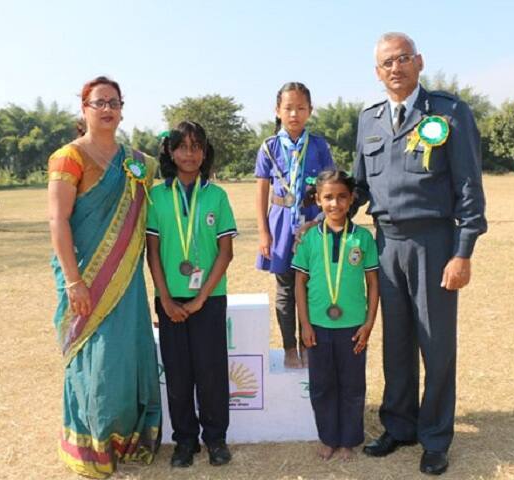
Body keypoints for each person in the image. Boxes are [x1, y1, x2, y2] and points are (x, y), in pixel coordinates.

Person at [354, 33, 487, 475]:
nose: (396, 68)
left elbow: (468, 187)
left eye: (403, 58)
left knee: (436, 343)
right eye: (387, 63)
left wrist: (462, 252)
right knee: (396, 342)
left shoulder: (449, 113)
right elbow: (358, 186)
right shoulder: (368, 120)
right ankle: (399, 425)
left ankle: (435, 436)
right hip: (385, 244)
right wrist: (321, 217)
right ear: (377, 72)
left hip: (434, 243)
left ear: (420, 62)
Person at [48, 76, 161, 478]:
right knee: (95, 359)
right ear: (84, 109)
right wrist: (74, 281)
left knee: (127, 354)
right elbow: (58, 220)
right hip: (85, 275)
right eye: (99, 103)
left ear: (122, 109)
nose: (108, 109)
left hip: (127, 278)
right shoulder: (69, 157)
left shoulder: (139, 162)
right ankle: (92, 443)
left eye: (114, 102)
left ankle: (128, 439)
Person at [146, 121, 237, 468]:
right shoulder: (157, 196)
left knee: (211, 372)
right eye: (182, 147)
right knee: (178, 374)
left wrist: (200, 299)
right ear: (170, 152)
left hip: (209, 299)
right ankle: (185, 441)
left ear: (204, 152)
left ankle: (216, 439)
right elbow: (152, 253)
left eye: (196, 146)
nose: (189, 153)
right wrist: (166, 299)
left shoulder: (216, 196)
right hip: (169, 300)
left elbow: (225, 253)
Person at [292, 170, 379, 461]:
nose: (335, 203)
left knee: (352, 386)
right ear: (318, 200)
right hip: (317, 326)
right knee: (322, 385)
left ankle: (348, 440)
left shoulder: (363, 238)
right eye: (328, 197)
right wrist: (305, 325)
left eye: (342, 197)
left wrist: (369, 323)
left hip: (353, 327)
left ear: (351, 199)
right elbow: (299, 284)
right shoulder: (309, 239)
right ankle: (328, 438)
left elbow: (373, 283)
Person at [255, 82, 335, 368]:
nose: (294, 114)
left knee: (312, 287)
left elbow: (330, 186)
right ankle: (289, 347)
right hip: (280, 224)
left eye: (301, 108)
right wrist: (263, 232)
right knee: (285, 288)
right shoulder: (269, 147)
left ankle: (308, 345)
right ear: (277, 110)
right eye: (288, 108)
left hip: (312, 221)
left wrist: (318, 221)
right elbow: (261, 192)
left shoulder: (319, 145)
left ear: (310, 111)